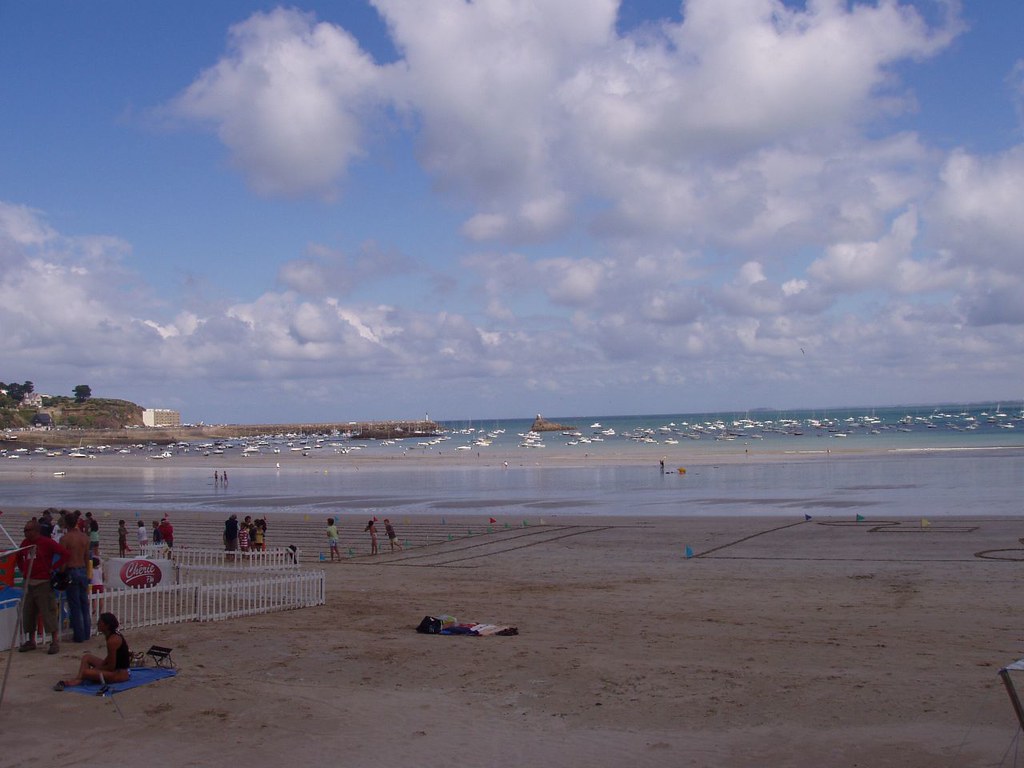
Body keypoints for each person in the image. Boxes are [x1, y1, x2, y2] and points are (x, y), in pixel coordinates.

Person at [16, 520, 70, 654]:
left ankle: (54, 641)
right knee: (28, 612)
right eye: (24, 530)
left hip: (43, 582)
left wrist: (53, 567)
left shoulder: (47, 542)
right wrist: (23, 570)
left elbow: (65, 554)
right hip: (29, 582)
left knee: (48, 612)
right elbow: (18, 556)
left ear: (35, 531)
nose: (25, 533)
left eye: (28, 530)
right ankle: (31, 640)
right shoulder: (25, 543)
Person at [53, 612, 130, 692]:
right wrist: (101, 665)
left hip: (119, 674)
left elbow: (111, 667)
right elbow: (112, 656)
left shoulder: (112, 641)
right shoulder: (111, 634)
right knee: (87, 657)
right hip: (115, 669)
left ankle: (77, 680)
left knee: (86, 672)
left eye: (100, 622)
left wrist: (96, 669)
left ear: (107, 626)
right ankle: (78, 679)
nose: (97, 624)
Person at [59, 514, 92, 643]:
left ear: (66, 524)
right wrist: (88, 573)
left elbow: (63, 559)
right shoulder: (84, 537)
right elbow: (87, 557)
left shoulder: (65, 538)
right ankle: (86, 633)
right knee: (84, 603)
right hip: (82, 569)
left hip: (72, 569)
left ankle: (79, 635)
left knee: (75, 605)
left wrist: (61, 573)